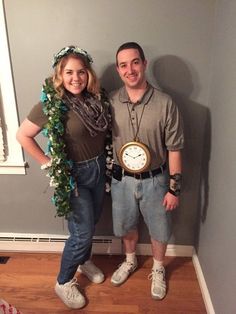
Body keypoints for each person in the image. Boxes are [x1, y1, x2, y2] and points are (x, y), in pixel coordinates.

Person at [16, 45, 111, 309]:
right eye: (69, 72)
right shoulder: (51, 103)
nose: (76, 78)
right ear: (60, 74)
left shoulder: (96, 99)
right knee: (81, 233)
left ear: (88, 74)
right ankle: (63, 281)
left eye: (81, 72)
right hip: (74, 175)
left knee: (90, 225)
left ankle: (83, 260)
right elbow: (22, 135)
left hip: (99, 168)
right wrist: (50, 165)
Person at [109, 42, 184, 300]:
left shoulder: (165, 103)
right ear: (119, 70)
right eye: (123, 65)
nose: (130, 69)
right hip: (122, 180)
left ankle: (159, 268)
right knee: (126, 225)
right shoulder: (110, 103)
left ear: (144, 64)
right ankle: (130, 260)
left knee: (159, 228)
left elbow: (175, 148)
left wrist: (174, 188)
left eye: (135, 62)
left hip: (156, 179)